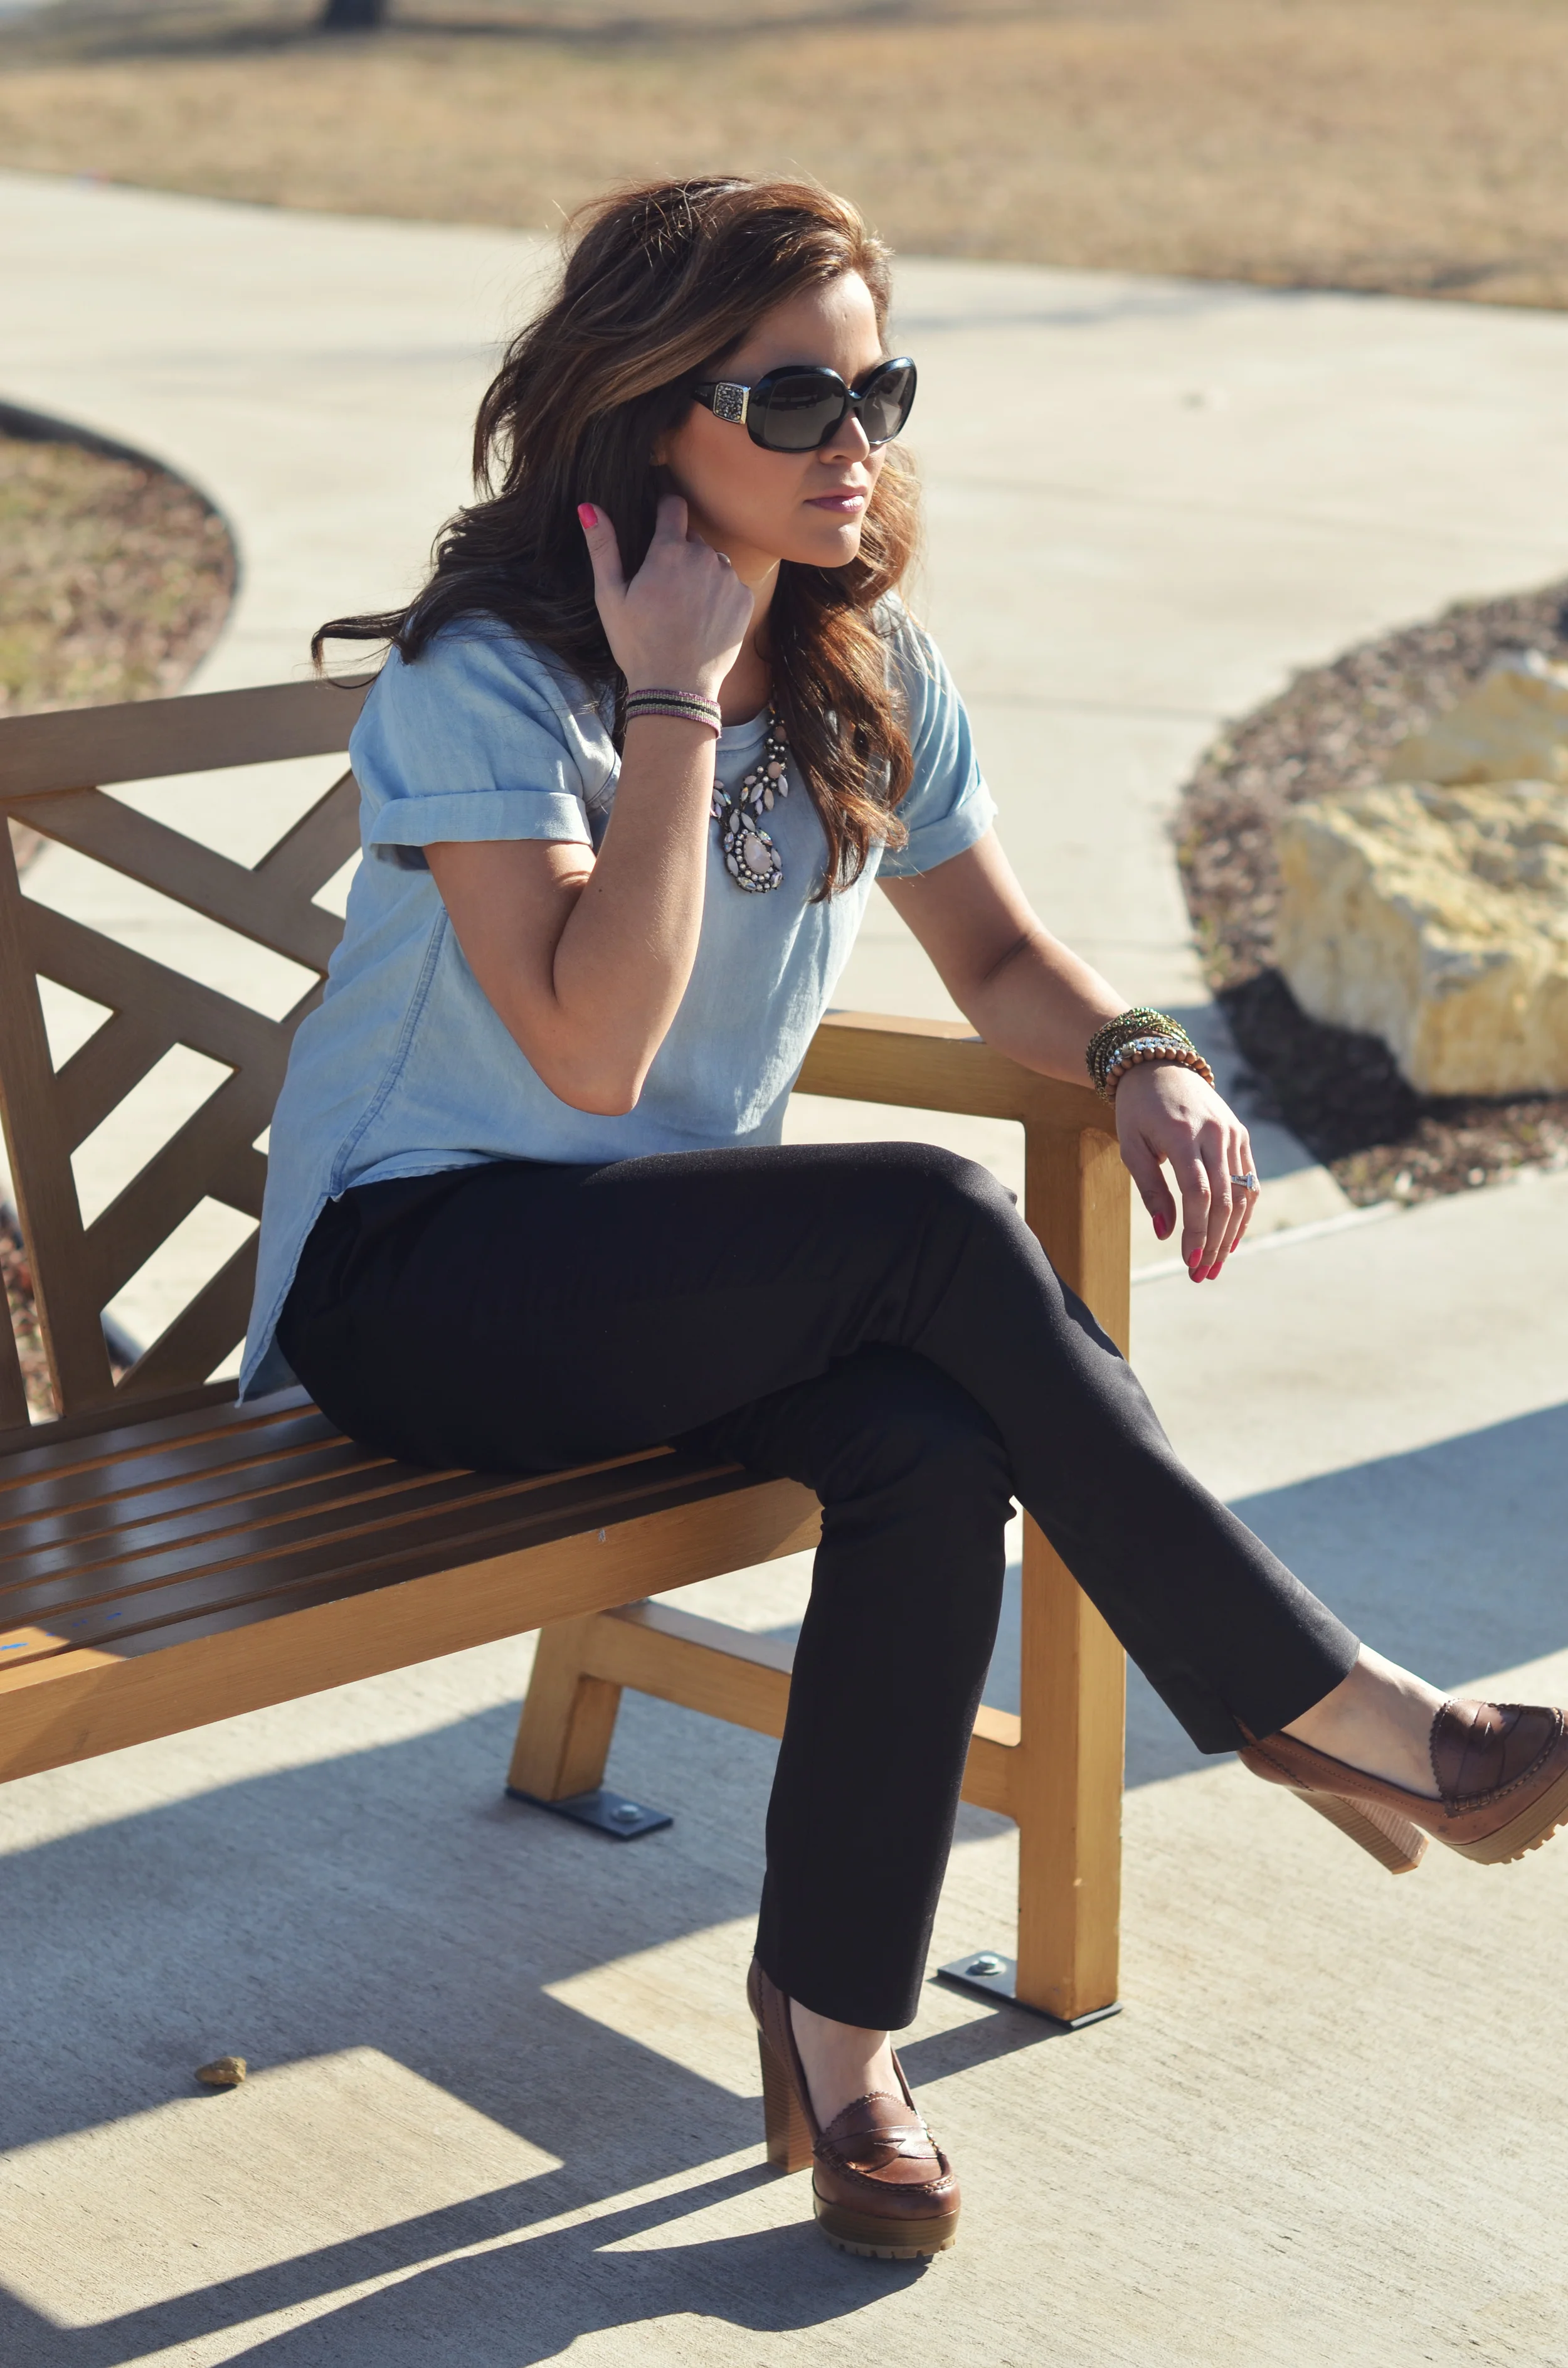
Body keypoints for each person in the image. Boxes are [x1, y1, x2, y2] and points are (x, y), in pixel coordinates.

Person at [241, 176, 1568, 2264]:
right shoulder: (488, 683)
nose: (850, 438)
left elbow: (1000, 958)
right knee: (934, 1215)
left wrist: (1140, 1052)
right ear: (648, 414)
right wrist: (668, 699)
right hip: (424, 1288)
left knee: (931, 1445)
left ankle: (837, 2032)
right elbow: (591, 1053)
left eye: (876, 389)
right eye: (791, 399)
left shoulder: (867, 675)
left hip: (665, 1288)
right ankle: (1317, 1704)